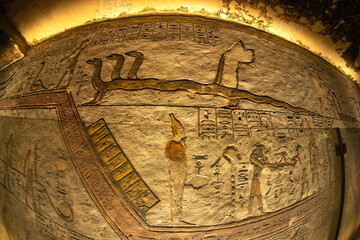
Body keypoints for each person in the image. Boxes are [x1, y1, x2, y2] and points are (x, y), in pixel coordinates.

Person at [165, 113, 188, 224]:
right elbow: (174, 157)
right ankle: (175, 219)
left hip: (181, 169)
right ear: (177, 131)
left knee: (180, 195)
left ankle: (178, 217)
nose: (184, 133)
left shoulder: (181, 142)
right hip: (176, 169)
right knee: (176, 195)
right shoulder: (173, 143)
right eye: (182, 130)